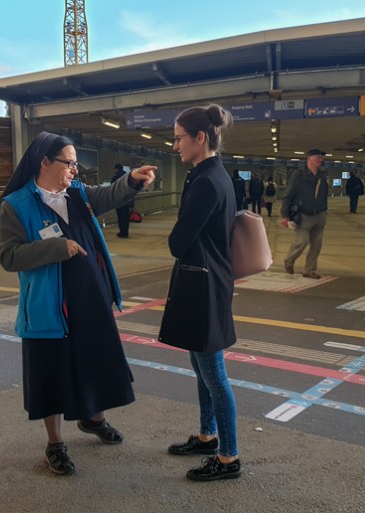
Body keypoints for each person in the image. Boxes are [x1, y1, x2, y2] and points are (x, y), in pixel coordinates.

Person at [0, 131, 156, 476]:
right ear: (45, 162)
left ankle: (93, 419)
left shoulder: (77, 194)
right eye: (69, 163)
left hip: (90, 299)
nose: (75, 171)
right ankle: (55, 444)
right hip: (50, 307)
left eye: (76, 164)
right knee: (51, 373)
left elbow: (109, 195)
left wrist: (132, 181)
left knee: (93, 362)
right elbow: (9, 256)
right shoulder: (16, 205)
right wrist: (56, 247)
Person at [158, 104, 241, 482]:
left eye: (179, 138)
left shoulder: (207, 182)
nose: (175, 146)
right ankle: (208, 435)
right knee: (201, 367)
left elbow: (179, 241)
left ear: (200, 138)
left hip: (204, 285)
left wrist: (177, 234)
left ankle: (229, 458)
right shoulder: (210, 174)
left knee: (213, 372)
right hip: (204, 281)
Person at [280, 149, 329, 279]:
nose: (320, 160)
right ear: (309, 158)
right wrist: (285, 215)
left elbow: (324, 194)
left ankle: (309, 270)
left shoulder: (322, 175)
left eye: (321, 158)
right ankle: (289, 260)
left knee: (317, 245)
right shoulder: (299, 175)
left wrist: (324, 210)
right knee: (302, 241)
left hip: (319, 215)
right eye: (318, 157)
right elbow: (287, 196)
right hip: (303, 216)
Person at [111, 163, 132, 238]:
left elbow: (112, 189)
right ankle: (126, 232)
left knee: (120, 217)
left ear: (117, 169)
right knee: (126, 218)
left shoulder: (115, 177)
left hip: (119, 201)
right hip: (128, 201)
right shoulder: (128, 177)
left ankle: (122, 232)